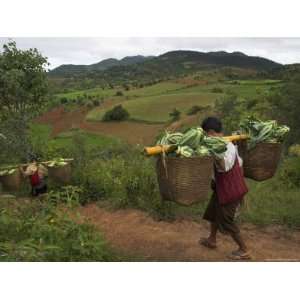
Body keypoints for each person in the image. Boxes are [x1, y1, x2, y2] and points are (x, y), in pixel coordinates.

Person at [199, 117, 251, 260]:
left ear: (210, 132)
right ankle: (212, 239)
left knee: (227, 220)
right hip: (221, 188)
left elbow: (223, 167)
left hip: (231, 191)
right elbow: (238, 163)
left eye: (205, 134)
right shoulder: (226, 145)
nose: (205, 137)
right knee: (213, 212)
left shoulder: (226, 147)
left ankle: (243, 249)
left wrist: (215, 151)